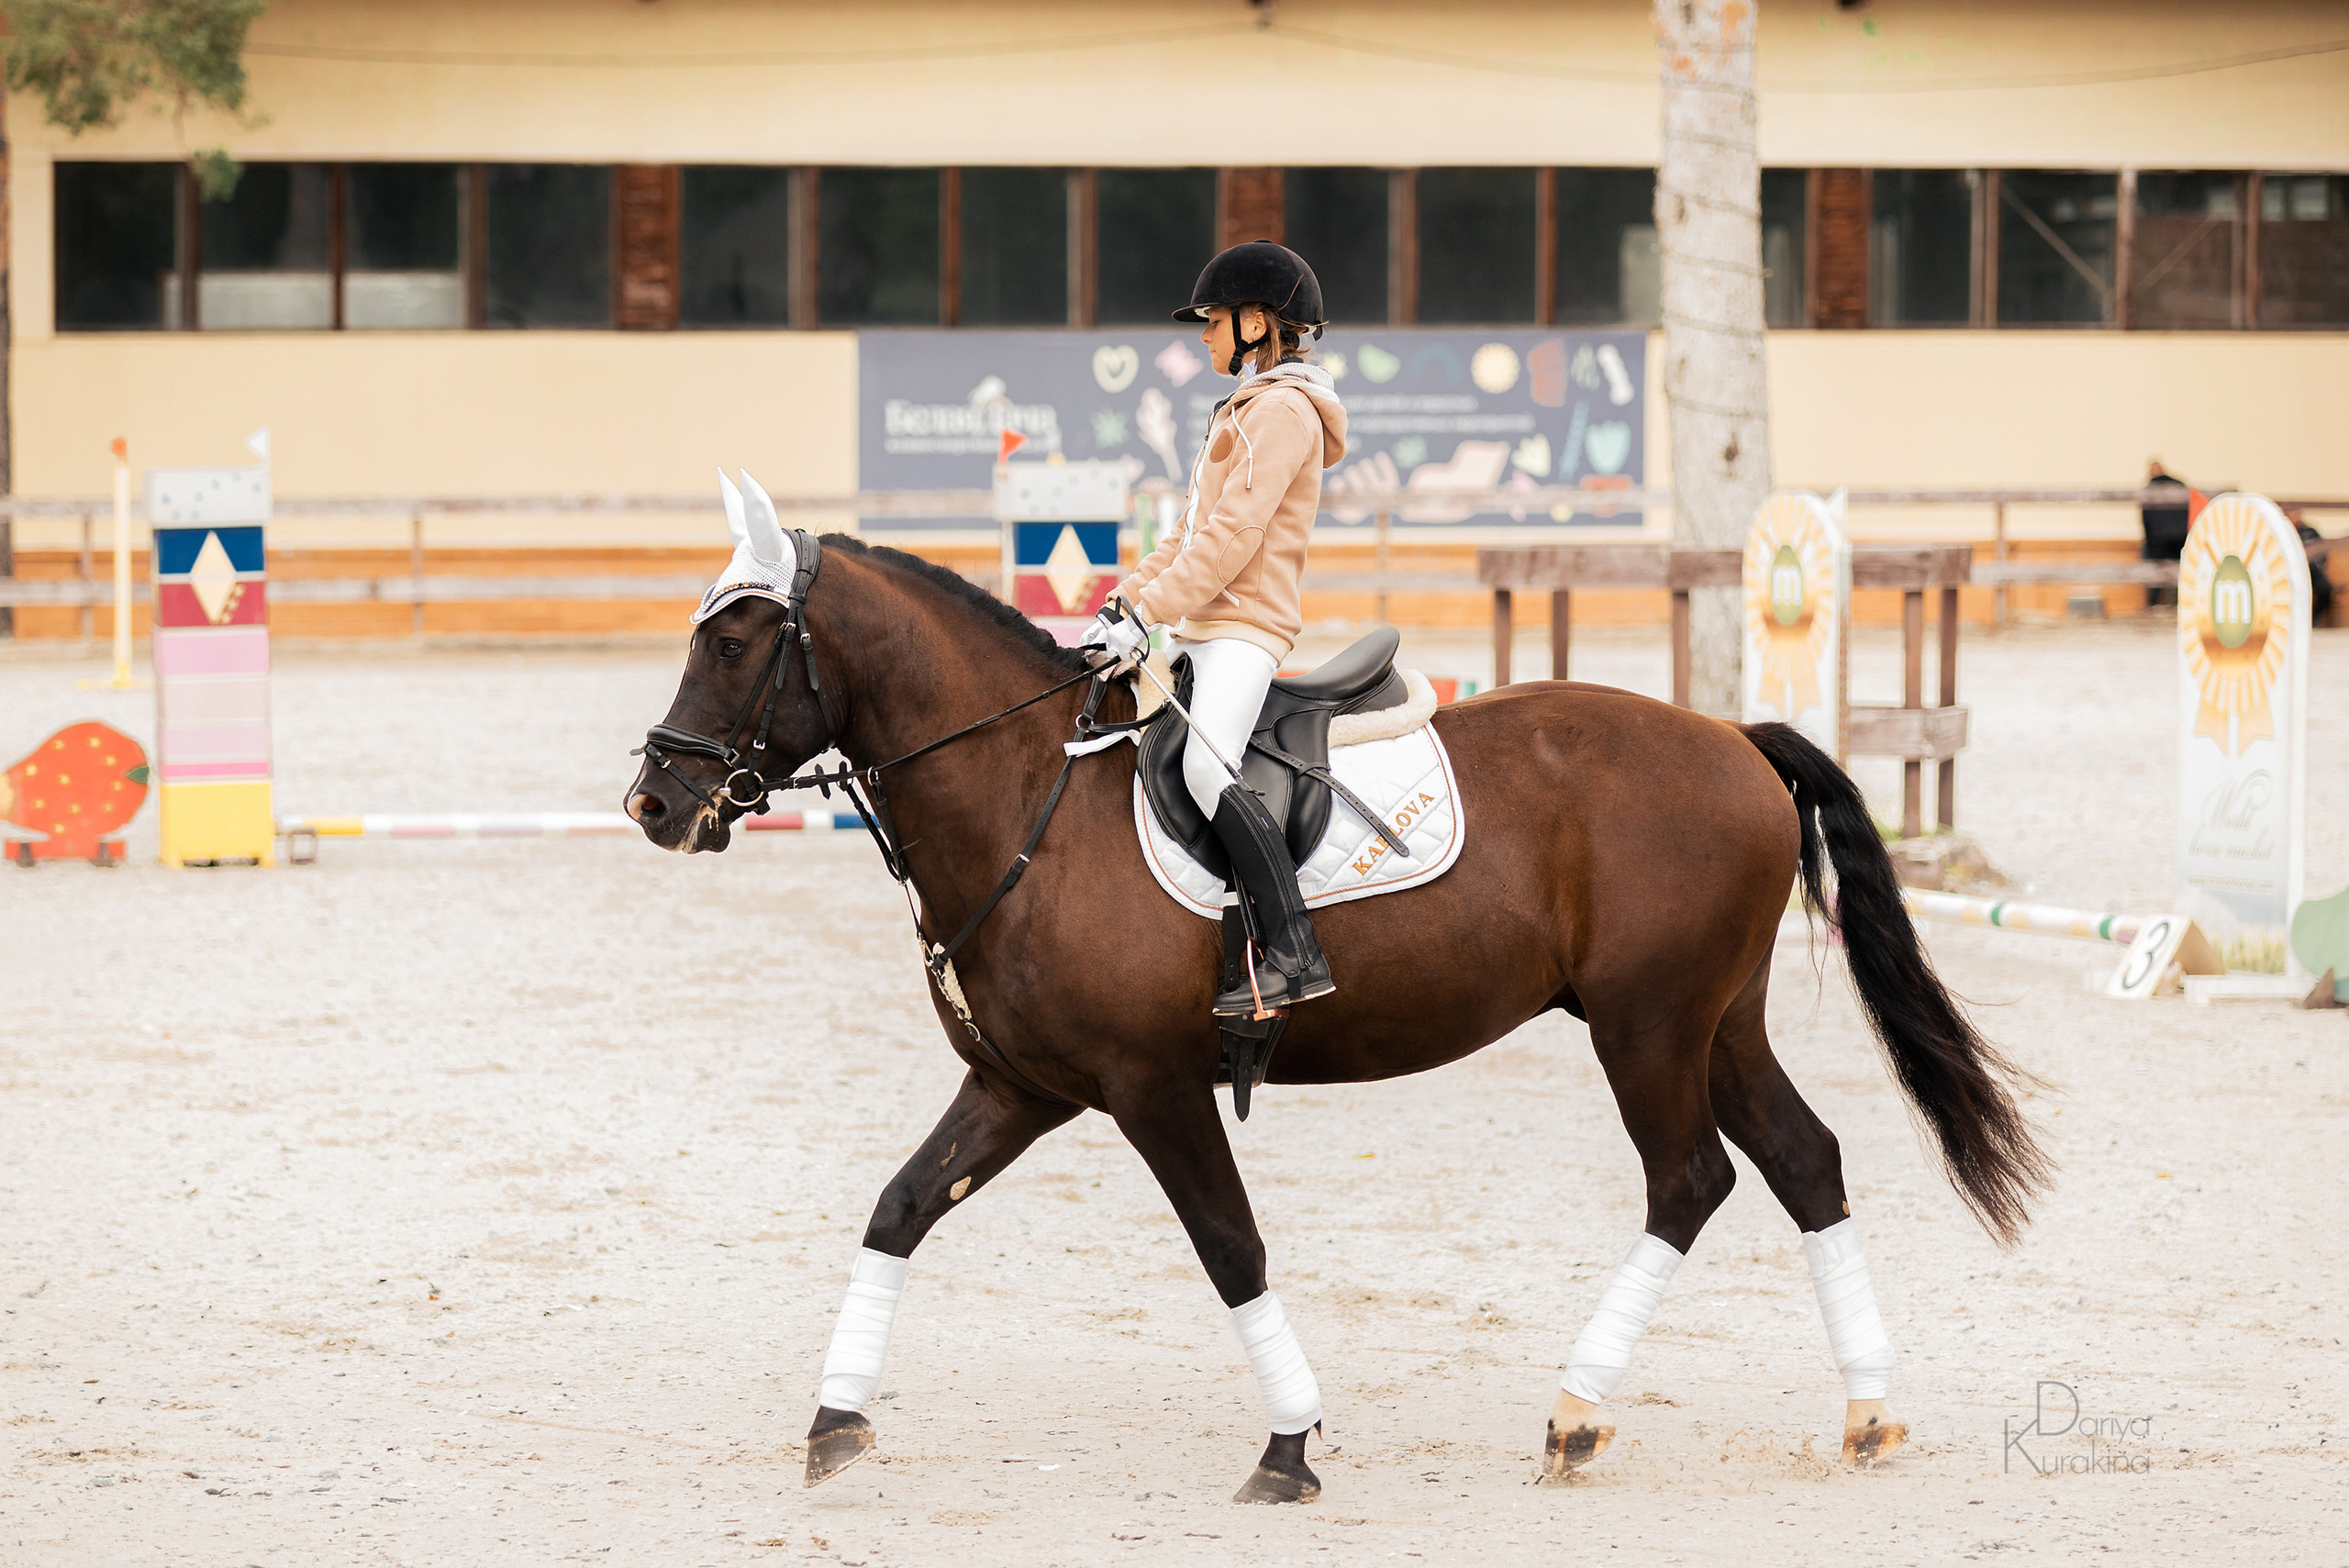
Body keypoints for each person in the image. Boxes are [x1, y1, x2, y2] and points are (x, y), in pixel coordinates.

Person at [1084, 240, 1347, 1017]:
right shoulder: (1244, 409)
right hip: (1203, 626)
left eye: (1214, 321)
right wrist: (1123, 601)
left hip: (1245, 630)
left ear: (1257, 322)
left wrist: (1149, 614)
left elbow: (1232, 541)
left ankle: (1296, 949)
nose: (1203, 335)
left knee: (1207, 770)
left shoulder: (1287, 413)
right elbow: (1188, 536)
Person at [2140, 459, 2191, 606]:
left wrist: (2148, 539)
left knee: (2155, 573)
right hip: (2180, 536)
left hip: (2158, 539)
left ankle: (2153, 605)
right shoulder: (2179, 485)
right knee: (2181, 573)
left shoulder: (2149, 489)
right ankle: (2181, 604)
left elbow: (2147, 518)